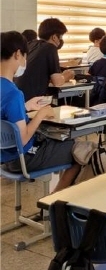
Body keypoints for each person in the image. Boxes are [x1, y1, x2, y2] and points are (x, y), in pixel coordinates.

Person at [1, 31, 81, 192]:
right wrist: (41, 115)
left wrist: (25, 107)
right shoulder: (13, 93)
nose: (25, 61)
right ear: (18, 54)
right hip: (22, 159)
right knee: (81, 151)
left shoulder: (8, 92)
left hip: (4, 158)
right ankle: (54, 202)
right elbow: (22, 139)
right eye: (25, 56)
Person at [14, 18, 74, 101]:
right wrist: (66, 76)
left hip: (18, 97)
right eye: (60, 37)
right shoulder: (50, 48)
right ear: (54, 37)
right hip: (32, 100)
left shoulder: (31, 44)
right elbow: (57, 82)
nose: (60, 41)